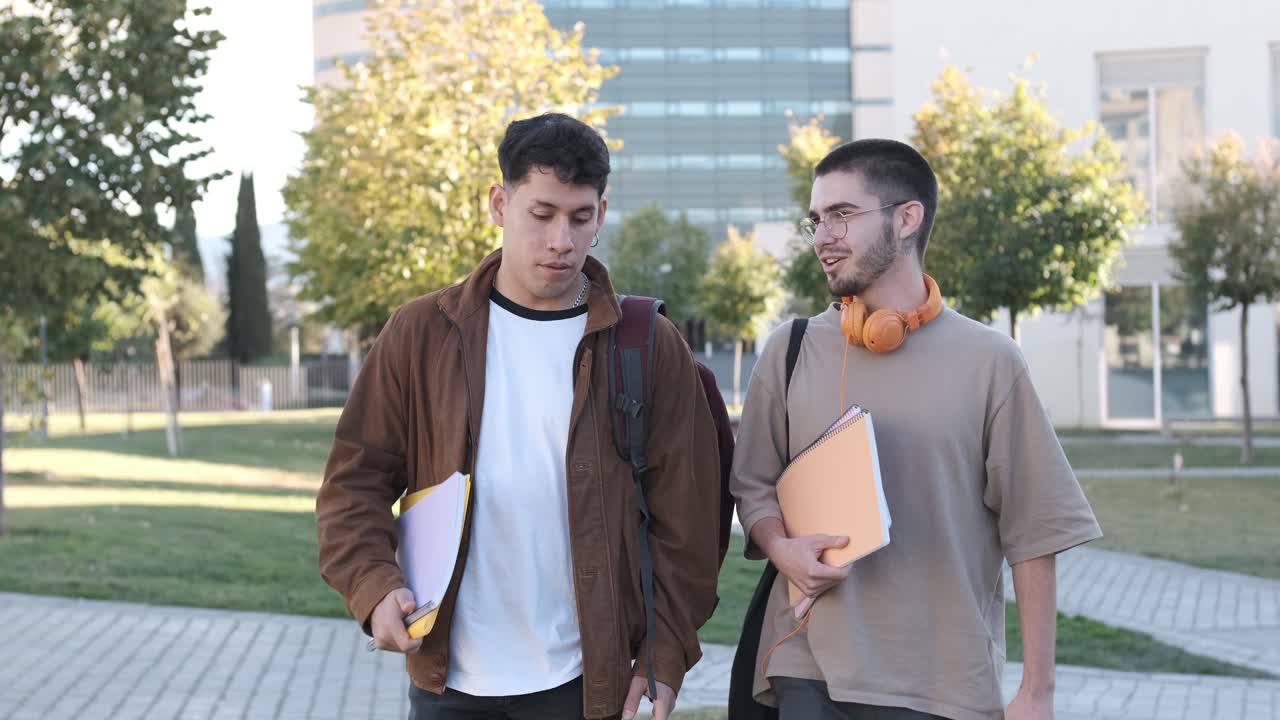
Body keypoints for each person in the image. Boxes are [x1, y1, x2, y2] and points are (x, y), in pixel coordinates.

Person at [315, 112, 722, 720]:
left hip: (584, 684)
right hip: (446, 679)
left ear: (601, 216)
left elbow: (689, 523)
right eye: (542, 214)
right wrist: (374, 588)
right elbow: (355, 483)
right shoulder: (420, 332)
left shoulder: (647, 344)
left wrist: (663, 656)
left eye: (581, 217)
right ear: (499, 204)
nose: (562, 239)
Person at [730, 138, 1102, 720]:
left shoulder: (991, 360)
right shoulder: (788, 350)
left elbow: (1035, 531)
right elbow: (751, 486)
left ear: (907, 218)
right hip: (807, 669)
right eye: (816, 219)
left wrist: (1037, 690)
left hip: (943, 684)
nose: (823, 236)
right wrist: (781, 547)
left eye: (843, 215)